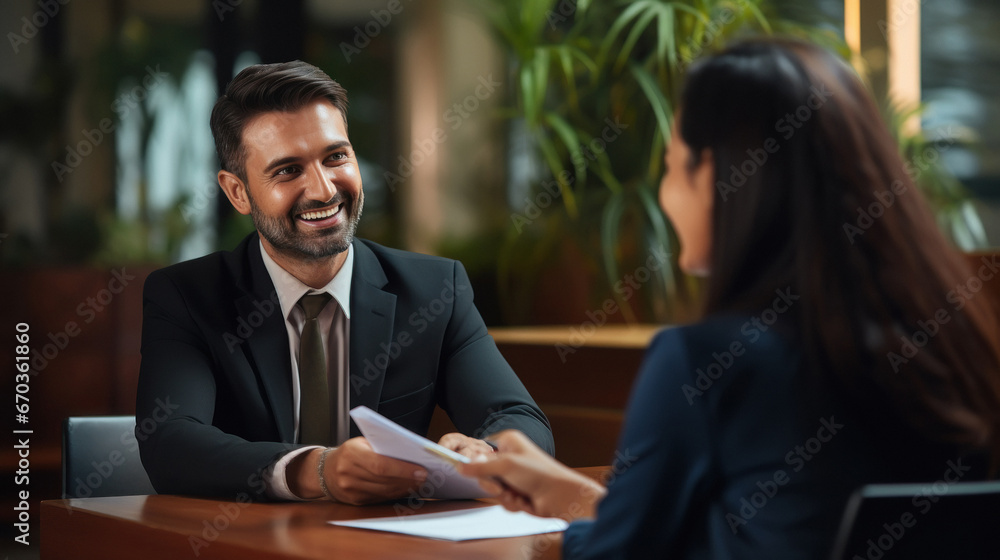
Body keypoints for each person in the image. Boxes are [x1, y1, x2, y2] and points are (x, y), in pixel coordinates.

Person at [460, 38, 1000, 558]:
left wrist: (572, 533)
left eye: (671, 166)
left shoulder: (706, 362)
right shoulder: (953, 346)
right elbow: (778, 531)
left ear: (716, 173)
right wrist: (568, 496)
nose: (666, 195)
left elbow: (620, 553)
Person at [135, 61, 553, 504]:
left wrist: (485, 451)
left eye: (335, 157)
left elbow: (520, 418)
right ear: (238, 192)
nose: (323, 189)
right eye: (287, 170)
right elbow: (170, 442)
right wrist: (314, 470)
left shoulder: (435, 290)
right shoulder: (186, 297)